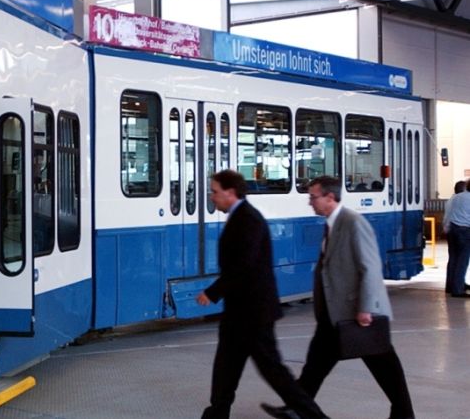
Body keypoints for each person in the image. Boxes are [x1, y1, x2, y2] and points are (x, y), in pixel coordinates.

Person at [261, 176, 414, 419]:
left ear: (330, 198)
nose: (310, 202)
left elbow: (370, 267)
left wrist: (366, 308)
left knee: (384, 364)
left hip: (357, 312)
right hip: (335, 313)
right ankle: (298, 407)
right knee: (316, 364)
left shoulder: (353, 223)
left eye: (313, 197)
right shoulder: (332, 224)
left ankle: (404, 413)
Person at [196, 170, 327, 419]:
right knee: (225, 368)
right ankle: (217, 413)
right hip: (239, 312)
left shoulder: (249, 220)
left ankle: (315, 417)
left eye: (214, 191)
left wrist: (212, 293)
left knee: (274, 372)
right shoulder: (239, 217)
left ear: (230, 192)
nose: (211, 197)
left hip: (253, 314)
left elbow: (242, 266)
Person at [444, 179, 470, 297]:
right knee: (462, 261)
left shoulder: (457, 197)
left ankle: (451, 285)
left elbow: (450, 213)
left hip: (453, 229)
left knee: (453, 258)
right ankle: (458, 289)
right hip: (465, 230)